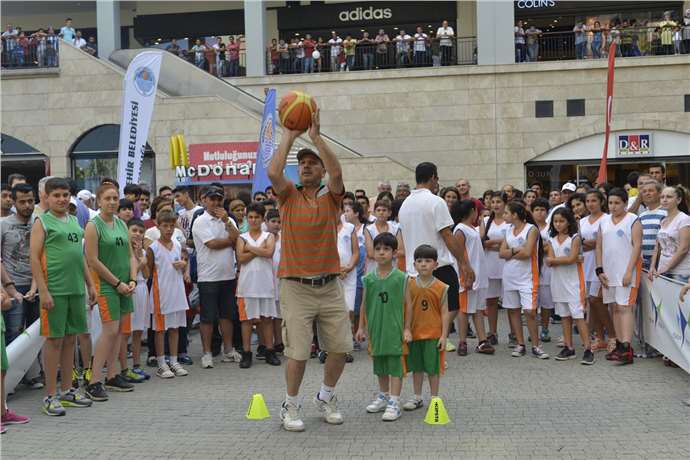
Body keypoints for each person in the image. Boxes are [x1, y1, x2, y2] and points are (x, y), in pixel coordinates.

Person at [268, 109, 351, 432]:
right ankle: (290, 405)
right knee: (299, 353)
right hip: (295, 286)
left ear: (320, 170)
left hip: (329, 284)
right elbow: (274, 172)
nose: (306, 166)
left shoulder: (331, 198)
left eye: (312, 162)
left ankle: (325, 396)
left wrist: (316, 137)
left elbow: (339, 174)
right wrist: (289, 133)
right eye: (302, 163)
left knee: (341, 349)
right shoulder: (288, 196)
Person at [30, 177, 96, 415]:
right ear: (46, 197)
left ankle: (67, 390)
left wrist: (90, 285)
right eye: (56, 195)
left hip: (76, 290)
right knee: (54, 341)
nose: (61, 199)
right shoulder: (42, 222)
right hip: (54, 291)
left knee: (71, 340)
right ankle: (49, 396)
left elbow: (80, 257)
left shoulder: (73, 222)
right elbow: (34, 258)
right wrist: (43, 289)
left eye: (65, 195)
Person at [398, 163, 473, 353]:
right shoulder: (436, 201)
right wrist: (464, 263)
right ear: (432, 177)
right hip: (437, 264)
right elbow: (447, 235)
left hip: (413, 267)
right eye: (437, 178)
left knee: (424, 310)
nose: (437, 182)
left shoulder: (405, 204)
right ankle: (437, 340)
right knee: (452, 305)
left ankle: (427, 343)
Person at [85, 183, 137, 401]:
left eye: (115, 198)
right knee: (109, 331)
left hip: (125, 284)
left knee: (118, 332)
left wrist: (132, 279)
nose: (113, 202)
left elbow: (131, 255)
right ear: (99, 201)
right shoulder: (93, 225)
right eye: (108, 198)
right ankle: (94, 380)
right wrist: (117, 283)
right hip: (108, 285)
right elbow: (92, 260)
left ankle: (113, 375)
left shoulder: (120, 223)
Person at [356, 232, 406, 421]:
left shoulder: (401, 278)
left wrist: (407, 328)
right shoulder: (368, 279)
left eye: (386, 249)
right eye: (378, 249)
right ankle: (384, 395)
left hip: (395, 328)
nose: (382, 253)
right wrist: (361, 327)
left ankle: (395, 401)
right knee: (380, 363)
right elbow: (363, 304)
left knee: (394, 364)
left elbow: (407, 304)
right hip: (376, 328)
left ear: (394, 253)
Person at [192, 186, 241, 368]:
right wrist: (231, 241)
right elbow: (212, 244)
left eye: (219, 199)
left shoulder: (228, 219)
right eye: (212, 199)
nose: (216, 203)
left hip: (228, 275)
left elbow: (238, 237)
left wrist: (227, 221)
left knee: (227, 315)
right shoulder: (200, 221)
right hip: (208, 277)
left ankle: (228, 350)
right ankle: (207, 353)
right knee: (207, 317)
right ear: (204, 200)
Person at [596, 188, 642, 365]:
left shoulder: (633, 220)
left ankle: (627, 347)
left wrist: (629, 271)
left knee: (625, 308)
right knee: (614, 308)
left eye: (617, 203)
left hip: (626, 273)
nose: (613, 206)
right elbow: (599, 246)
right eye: (610, 203)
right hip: (609, 273)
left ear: (624, 203)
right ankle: (619, 346)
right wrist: (600, 270)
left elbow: (637, 247)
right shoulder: (604, 221)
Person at [499, 202, 549, 359]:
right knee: (513, 310)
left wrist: (510, 253)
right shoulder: (508, 230)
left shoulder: (531, 229)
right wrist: (515, 250)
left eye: (506, 212)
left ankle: (536, 345)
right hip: (509, 276)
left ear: (515, 215)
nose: (504, 215)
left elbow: (528, 253)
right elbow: (501, 253)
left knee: (530, 312)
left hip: (528, 276)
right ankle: (521, 344)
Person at [402, 244, 448, 412]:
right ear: (414, 265)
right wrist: (405, 329)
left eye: (428, 261)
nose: (423, 264)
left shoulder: (442, 287)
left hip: (433, 334)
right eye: (419, 261)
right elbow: (405, 309)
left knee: (433, 369)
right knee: (417, 367)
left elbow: (445, 313)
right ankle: (417, 397)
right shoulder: (409, 284)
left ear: (436, 264)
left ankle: (435, 398)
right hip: (414, 333)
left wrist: (444, 336)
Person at [545, 208, 594, 364]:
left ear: (569, 221)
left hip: (574, 283)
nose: (558, 224)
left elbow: (570, 258)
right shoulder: (551, 239)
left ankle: (588, 349)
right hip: (557, 283)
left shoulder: (575, 238)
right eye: (555, 221)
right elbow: (552, 260)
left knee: (578, 316)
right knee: (564, 316)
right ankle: (569, 347)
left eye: (562, 221)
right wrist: (568, 259)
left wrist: (562, 260)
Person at [146, 210, 190, 379]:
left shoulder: (178, 245)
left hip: (177, 292)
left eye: (172, 226)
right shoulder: (153, 248)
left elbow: (183, 263)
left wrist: (183, 264)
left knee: (175, 328)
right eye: (165, 226)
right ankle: (161, 363)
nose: (169, 229)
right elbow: (148, 272)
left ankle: (173, 360)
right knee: (160, 330)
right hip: (161, 294)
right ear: (158, 226)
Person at [236, 202, 279, 368]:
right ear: (247, 218)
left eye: (257, 217)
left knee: (267, 319)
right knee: (246, 320)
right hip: (247, 285)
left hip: (266, 284)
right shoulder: (242, 237)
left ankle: (270, 351)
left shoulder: (268, 237)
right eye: (251, 217)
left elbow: (269, 253)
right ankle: (246, 354)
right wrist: (258, 250)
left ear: (262, 219)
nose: (253, 220)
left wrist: (250, 249)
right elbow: (241, 258)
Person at [451, 200, 494, 356]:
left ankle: (482, 341)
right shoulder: (460, 229)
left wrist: (482, 220)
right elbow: (459, 253)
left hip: (479, 275)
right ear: (471, 211)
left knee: (477, 309)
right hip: (468, 276)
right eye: (477, 211)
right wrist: (465, 273)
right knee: (464, 310)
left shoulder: (471, 228)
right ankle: (462, 342)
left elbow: (480, 235)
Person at [1, 183, 37, 346]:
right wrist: (10, 288)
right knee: (13, 333)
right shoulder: (3, 224)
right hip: (13, 286)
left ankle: (39, 371)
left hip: (36, 286)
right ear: (14, 203)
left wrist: (36, 286)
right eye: (22, 202)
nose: (27, 205)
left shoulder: (39, 223)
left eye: (30, 201)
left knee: (37, 333)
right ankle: (14, 372)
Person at [580, 190, 616, 353]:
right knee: (591, 304)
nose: (590, 204)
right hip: (584, 264)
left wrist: (589, 243)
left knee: (597, 301)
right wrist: (589, 243)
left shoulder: (607, 219)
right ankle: (600, 338)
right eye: (588, 201)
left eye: (594, 200)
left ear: (602, 202)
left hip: (600, 264)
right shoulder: (582, 221)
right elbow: (579, 243)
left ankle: (613, 336)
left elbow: (602, 243)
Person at [480, 192, 509, 345]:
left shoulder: (510, 220)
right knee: (491, 300)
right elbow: (483, 242)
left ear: (505, 203)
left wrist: (495, 243)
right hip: (490, 263)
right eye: (493, 202)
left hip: (507, 263)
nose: (496, 204)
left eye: (499, 201)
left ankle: (513, 333)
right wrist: (500, 244)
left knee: (510, 301)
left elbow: (511, 241)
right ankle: (492, 332)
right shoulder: (485, 220)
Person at [126, 219, 151, 380]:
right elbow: (129, 272)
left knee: (138, 330)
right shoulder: (124, 250)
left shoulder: (143, 251)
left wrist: (141, 258)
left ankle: (136, 365)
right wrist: (138, 261)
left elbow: (147, 274)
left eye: (141, 232)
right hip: (130, 289)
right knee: (125, 331)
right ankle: (122, 368)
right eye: (134, 230)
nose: (137, 234)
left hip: (142, 289)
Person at [649, 186, 690, 283]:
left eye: (669, 197)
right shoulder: (663, 220)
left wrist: (666, 267)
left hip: (680, 271)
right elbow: (657, 247)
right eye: (662, 197)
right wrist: (652, 266)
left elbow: (684, 248)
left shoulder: (684, 219)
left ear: (679, 200)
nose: (664, 200)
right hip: (662, 270)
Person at [336, 206, 360, 362]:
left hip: (350, 276)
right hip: (332, 275)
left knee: (349, 310)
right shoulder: (324, 227)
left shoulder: (349, 228)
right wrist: (337, 270)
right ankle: (337, 348)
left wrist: (349, 267)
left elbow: (356, 252)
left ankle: (347, 346)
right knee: (336, 313)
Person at [532, 198, 553, 343]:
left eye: (542, 210)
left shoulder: (551, 228)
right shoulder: (528, 227)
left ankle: (545, 329)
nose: (540, 213)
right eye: (537, 210)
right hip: (530, 270)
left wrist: (533, 248)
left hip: (546, 269)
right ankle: (533, 330)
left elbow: (550, 247)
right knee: (532, 303)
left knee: (546, 303)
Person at [364, 200, 402, 274]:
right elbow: (370, 253)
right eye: (378, 210)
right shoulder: (369, 229)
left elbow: (401, 251)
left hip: (392, 269)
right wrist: (389, 254)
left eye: (384, 210)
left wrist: (381, 255)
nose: (381, 212)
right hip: (374, 270)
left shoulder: (396, 228)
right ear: (374, 212)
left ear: (389, 213)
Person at [265, 209, 284, 354]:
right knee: (266, 314)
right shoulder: (263, 237)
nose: (276, 225)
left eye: (279, 222)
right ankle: (266, 344)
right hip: (265, 279)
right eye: (273, 221)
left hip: (281, 280)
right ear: (266, 222)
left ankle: (279, 342)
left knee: (278, 314)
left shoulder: (285, 238)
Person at [638, 181, 666, 270]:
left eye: (651, 190)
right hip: (642, 263)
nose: (647, 193)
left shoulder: (665, 214)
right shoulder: (640, 216)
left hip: (659, 263)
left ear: (659, 194)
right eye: (644, 191)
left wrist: (655, 263)